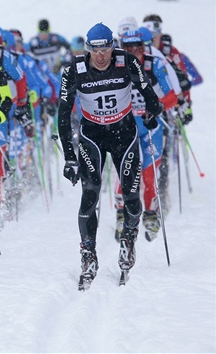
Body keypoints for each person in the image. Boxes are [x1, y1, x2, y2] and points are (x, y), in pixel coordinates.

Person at [57, 23, 162, 290]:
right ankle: (88, 255)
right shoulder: (74, 69)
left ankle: (128, 240)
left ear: (112, 46)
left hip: (124, 135)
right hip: (92, 135)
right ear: (87, 48)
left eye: (105, 49)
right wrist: (69, 157)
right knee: (90, 193)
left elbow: (148, 91)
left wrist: (152, 112)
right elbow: (63, 114)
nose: (101, 55)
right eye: (95, 49)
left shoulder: (126, 61)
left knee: (131, 196)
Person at [113, 29, 178, 243]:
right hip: (125, 125)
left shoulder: (154, 64)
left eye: (138, 47)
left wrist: (156, 108)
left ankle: (150, 213)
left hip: (151, 126)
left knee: (149, 173)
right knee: (125, 169)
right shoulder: (115, 64)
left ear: (145, 46)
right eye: (128, 48)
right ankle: (122, 211)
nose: (133, 51)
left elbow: (172, 96)